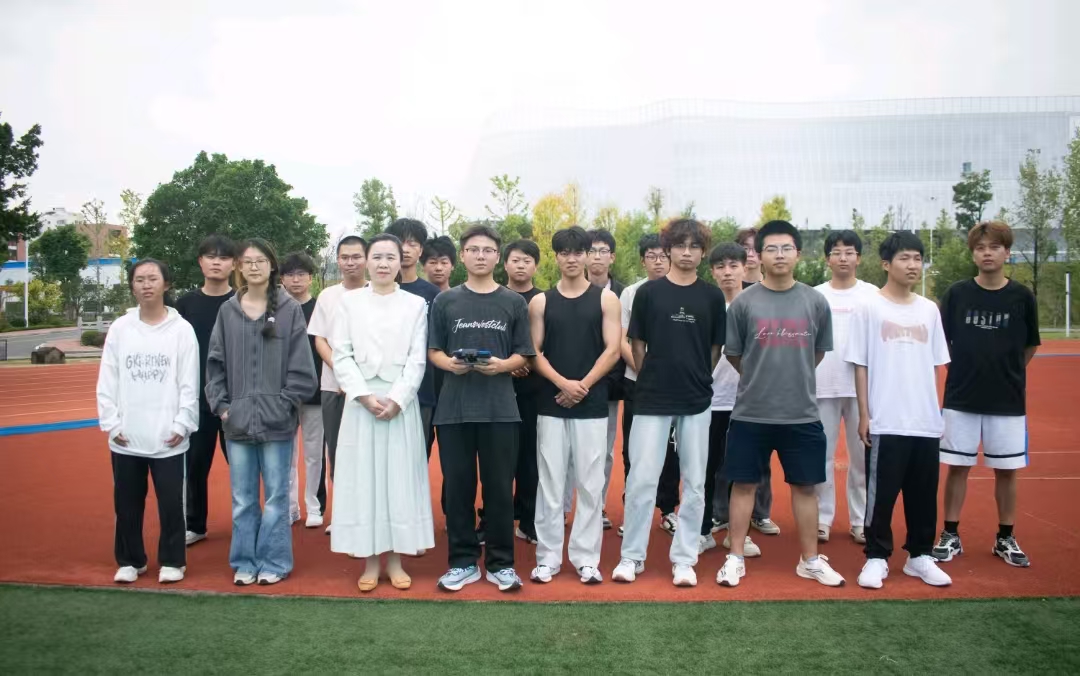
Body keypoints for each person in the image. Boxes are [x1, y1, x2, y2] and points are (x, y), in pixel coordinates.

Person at [718, 220, 844, 589]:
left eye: (786, 248)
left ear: (798, 254)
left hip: (801, 413)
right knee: (743, 485)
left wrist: (791, 377)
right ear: (758, 256)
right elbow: (734, 354)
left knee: (805, 487)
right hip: (751, 412)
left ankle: (810, 560)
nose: (779, 255)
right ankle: (735, 556)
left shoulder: (815, 302)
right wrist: (760, 378)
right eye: (770, 249)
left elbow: (817, 352)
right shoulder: (744, 303)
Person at [613, 218, 726, 588]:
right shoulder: (648, 293)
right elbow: (637, 344)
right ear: (669, 250)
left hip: (696, 398)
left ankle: (685, 558)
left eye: (694, 247)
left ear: (703, 253)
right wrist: (649, 376)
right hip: (651, 397)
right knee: (641, 478)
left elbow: (715, 348)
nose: (687, 253)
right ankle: (632, 556)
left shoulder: (712, 297)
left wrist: (698, 376)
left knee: (694, 482)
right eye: (680, 245)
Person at [205, 239, 318, 586]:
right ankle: (244, 561)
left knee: (276, 498)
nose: (254, 266)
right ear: (239, 267)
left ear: (272, 267)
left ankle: (275, 561)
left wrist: (284, 404)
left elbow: (303, 369)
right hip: (237, 422)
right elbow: (214, 364)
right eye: (248, 261)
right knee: (242, 499)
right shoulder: (228, 311)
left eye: (261, 261)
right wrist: (223, 406)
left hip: (278, 423)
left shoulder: (289, 310)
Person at [429, 225, 534, 593]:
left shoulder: (513, 302)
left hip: (500, 410)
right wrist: (449, 363)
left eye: (488, 250)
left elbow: (525, 354)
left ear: (497, 257)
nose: (480, 255)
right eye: (473, 249)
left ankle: (501, 564)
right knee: (458, 488)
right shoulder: (446, 301)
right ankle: (462, 562)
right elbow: (433, 351)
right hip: (454, 409)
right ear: (463, 255)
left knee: (500, 490)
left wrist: (502, 366)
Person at [329, 234, 435, 592]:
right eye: (377, 257)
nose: (384, 263)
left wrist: (397, 399)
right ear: (366, 261)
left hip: (399, 405)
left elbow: (417, 359)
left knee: (398, 481)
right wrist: (362, 395)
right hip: (361, 405)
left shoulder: (415, 305)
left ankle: (396, 560)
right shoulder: (349, 302)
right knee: (365, 482)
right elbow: (341, 354)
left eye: (391, 257)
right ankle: (370, 560)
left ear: (401, 262)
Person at [847, 232, 952, 588]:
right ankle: (876, 556)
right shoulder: (868, 307)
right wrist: (865, 414)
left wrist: (934, 412)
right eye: (905, 258)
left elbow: (935, 365)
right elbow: (860, 364)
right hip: (885, 420)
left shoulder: (929, 309)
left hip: (923, 421)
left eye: (917, 258)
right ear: (886, 264)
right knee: (881, 496)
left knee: (923, 495)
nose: (912, 265)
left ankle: (919, 556)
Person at [934, 221, 1040, 568]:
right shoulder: (957, 294)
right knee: (957, 467)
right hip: (961, 397)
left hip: (1007, 400)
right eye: (980, 248)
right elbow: (942, 343)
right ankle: (950, 534)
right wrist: (962, 372)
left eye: (994, 247)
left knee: (1007, 470)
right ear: (973, 254)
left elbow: (1030, 345)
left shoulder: (1022, 297)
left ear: (1007, 252)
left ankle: (1005, 537)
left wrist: (1008, 373)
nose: (987, 253)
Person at [97, 259, 199, 584]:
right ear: (132, 286)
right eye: (139, 279)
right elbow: (107, 379)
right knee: (127, 503)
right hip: (127, 436)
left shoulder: (182, 330)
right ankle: (130, 560)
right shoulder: (120, 328)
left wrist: (182, 424)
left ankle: (172, 560)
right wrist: (112, 424)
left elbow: (189, 382)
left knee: (171, 502)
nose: (146, 285)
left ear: (166, 284)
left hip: (168, 436)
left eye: (152, 278)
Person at [529, 227, 621, 585]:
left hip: (592, 403)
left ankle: (586, 559)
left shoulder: (606, 300)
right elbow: (535, 352)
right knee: (550, 483)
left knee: (590, 483)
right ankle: (547, 558)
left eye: (578, 252)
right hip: (551, 402)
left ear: (587, 256)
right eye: (564, 253)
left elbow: (613, 350)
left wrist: (582, 385)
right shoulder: (541, 302)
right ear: (556, 257)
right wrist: (563, 384)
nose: (571, 258)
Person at [814, 230, 877, 544]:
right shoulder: (815, 295)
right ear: (827, 259)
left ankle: (861, 520)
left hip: (861, 390)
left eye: (849, 252)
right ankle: (821, 519)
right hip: (821, 386)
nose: (843, 258)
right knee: (821, 458)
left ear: (858, 258)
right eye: (836, 252)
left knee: (862, 458)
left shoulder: (872, 295)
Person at [175, 234, 236, 547]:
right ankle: (195, 524)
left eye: (223, 257)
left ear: (233, 264)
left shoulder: (242, 301)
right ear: (200, 262)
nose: (216, 262)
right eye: (210, 256)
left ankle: (245, 521)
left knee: (241, 466)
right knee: (196, 465)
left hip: (235, 401)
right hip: (197, 400)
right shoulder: (185, 305)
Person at [617, 234, 679, 538]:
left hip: (674, 385)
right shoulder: (630, 293)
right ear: (643, 261)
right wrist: (643, 372)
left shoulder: (683, 290)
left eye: (663, 256)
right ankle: (633, 512)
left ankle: (668, 510)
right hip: (637, 382)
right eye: (651, 256)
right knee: (635, 449)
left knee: (672, 450)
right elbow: (621, 339)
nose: (658, 261)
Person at [703, 243, 763, 558]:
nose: (727, 272)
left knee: (741, 471)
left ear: (744, 267)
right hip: (709, 401)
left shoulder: (757, 304)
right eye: (720, 267)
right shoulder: (707, 304)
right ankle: (702, 530)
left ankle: (737, 534)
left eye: (733, 266)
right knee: (705, 468)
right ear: (712, 271)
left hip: (746, 402)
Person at [307, 233, 368, 533]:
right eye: (344, 257)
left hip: (371, 389)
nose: (350, 262)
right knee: (338, 451)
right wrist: (344, 373)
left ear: (366, 259)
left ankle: (368, 513)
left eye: (356, 256)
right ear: (338, 260)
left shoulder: (379, 294)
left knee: (368, 452)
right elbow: (320, 339)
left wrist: (357, 378)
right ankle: (342, 514)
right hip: (334, 386)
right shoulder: (328, 296)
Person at [730, 226, 777, 536]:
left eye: (753, 248)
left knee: (763, 452)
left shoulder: (773, 290)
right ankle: (722, 513)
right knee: (729, 454)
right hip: (728, 387)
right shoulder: (728, 287)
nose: (749, 254)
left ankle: (761, 512)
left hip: (765, 389)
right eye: (743, 248)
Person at [582, 228, 626, 530]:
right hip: (571, 381)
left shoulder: (625, 294)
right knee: (568, 453)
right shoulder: (567, 289)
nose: (596, 257)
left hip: (610, 383)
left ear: (612, 257)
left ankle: (596, 506)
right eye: (591, 251)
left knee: (604, 450)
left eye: (602, 251)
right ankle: (564, 508)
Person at [386, 218, 441, 458]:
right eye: (400, 243)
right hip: (383, 388)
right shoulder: (375, 291)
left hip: (423, 389)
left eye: (412, 243)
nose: (406, 249)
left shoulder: (433, 294)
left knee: (418, 457)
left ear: (421, 250)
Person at [281, 251, 328, 528]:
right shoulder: (276, 310)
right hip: (284, 393)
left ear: (311, 278)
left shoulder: (320, 309)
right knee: (285, 454)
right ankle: (289, 507)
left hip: (316, 391)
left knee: (314, 453)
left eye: (301, 274)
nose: (295, 280)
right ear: (282, 279)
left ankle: (314, 506)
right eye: (290, 274)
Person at [505, 239, 543, 545]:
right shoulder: (494, 296)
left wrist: (527, 362)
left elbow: (547, 342)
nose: (520, 265)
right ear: (505, 263)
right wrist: (509, 365)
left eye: (527, 260)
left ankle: (529, 520)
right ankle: (494, 519)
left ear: (536, 266)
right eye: (515, 260)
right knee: (498, 459)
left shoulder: (543, 300)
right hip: (497, 386)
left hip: (534, 389)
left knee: (531, 458)